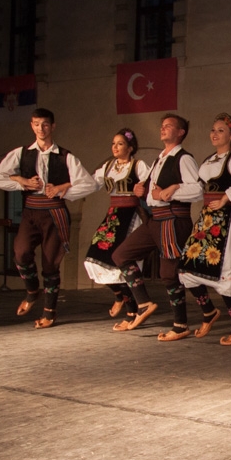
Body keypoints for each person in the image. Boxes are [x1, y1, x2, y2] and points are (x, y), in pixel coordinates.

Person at [0, 108, 98, 329]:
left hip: (54, 213)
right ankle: (32, 291)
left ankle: (49, 312)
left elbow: (90, 184)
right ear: (31, 125)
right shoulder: (21, 153)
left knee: (50, 264)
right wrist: (22, 181)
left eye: (45, 124)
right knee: (20, 252)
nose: (41, 128)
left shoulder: (65, 156)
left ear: (53, 126)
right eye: (37, 124)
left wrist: (62, 188)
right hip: (30, 210)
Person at [111, 113, 202, 340]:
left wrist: (171, 190)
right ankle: (143, 303)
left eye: (168, 126)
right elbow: (152, 193)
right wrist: (141, 192)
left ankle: (181, 324)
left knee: (169, 273)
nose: (163, 128)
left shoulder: (183, 158)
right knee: (121, 255)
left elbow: (197, 189)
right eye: (162, 125)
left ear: (180, 132)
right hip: (155, 220)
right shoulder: (159, 158)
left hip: (172, 219)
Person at [177, 113, 231, 345]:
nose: (215, 133)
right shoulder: (208, 161)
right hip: (206, 220)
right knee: (186, 269)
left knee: (225, 270)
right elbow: (197, 189)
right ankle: (209, 312)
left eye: (221, 130)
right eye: (213, 130)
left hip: (227, 221)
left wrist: (226, 198)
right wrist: (173, 190)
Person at [82, 128, 151, 326]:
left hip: (131, 216)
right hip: (112, 217)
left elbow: (151, 185)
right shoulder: (107, 167)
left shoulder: (138, 165)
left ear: (130, 148)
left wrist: (143, 190)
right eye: (113, 143)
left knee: (122, 265)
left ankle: (131, 312)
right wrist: (65, 187)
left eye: (120, 143)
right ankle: (120, 296)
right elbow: (89, 183)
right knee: (93, 260)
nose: (115, 147)